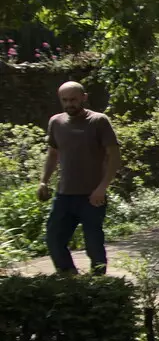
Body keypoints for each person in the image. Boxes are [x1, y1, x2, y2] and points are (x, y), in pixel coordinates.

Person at [37, 80, 120, 275]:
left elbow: (114, 157)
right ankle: (70, 279)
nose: (69, 104)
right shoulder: (56, 122)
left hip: (92, 197)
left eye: (73, 99)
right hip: (64, 194)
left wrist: (102, 188)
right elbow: (52, 154)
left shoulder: (98, 121)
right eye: (64, 100)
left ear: (84, 97)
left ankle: (99, 284)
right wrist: (44, 181)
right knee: (54, 239)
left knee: (93, 243)